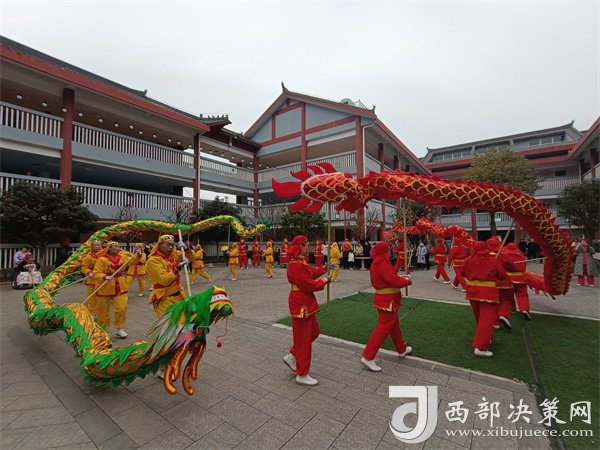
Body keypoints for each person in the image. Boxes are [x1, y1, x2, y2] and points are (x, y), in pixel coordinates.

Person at [282, 235, 331, 386]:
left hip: (306, 303)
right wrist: (325, 280)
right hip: (301, 304)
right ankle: (302, 374)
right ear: (300, 247)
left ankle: (293, 355)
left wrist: (325, 268)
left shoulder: (301, 262)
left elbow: (312, 273)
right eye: (306, 244)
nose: (308, 246)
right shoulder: (296, 265)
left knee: (313, 332)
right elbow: (309, 285)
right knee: (303, 340)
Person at [360, 242, 412, 372]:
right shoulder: (382, 264)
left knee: (394, 325)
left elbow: (391, 276)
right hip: (388, 301)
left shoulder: (377, 263)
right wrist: (406, 281)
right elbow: (392, 280)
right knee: (383, 328)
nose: (389, 251)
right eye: (388, 250)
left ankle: (401, 349)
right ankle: (368, 356)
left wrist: (400, 272)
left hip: (386, 300)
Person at [462, 241, 508, 357]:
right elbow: (503, 276)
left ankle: (486, 337)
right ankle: (481, 347)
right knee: (486, 320)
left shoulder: (468, 260)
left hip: (473, 292)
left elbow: (463, 273)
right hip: (488, 293)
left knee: (479, 318)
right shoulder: (493, 260)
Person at [93, 241, 142, 339]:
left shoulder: (122, 257)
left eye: (118, 246)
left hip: (120, 286)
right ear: (109, 248)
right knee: (103, 311)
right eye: (115, 246)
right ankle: (103, 329)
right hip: (104, 287)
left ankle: (120, 328)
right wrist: (104, 276)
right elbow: (96, 272)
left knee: (121, 308)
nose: (118, 248)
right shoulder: (102, 260)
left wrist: (138, 255)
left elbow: (132, 261)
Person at [487, 236, 517, 329]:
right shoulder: (504, 255)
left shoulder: (484, 256)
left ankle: (496, 322)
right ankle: (503, 315)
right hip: (504, 282)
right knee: (505, 300)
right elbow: (512, 268)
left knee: (493, 303)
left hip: (490, 283)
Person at [503, 243, 532, 320]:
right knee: (522, 295)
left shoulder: (504, 255)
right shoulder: (521, 255)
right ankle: (524, 310)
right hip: (521, 278)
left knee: (509, 296)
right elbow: (524, 267)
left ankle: (512, 309)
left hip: (509, 278)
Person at [81, 240, 103, 318]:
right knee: (92, 298)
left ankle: (100, 312)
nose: (97, 247)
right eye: (95, 245)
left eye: (98, 245)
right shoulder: (88, 257)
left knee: (102, 298)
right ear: (92, 247)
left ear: (101, 246)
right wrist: (88, 272)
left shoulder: (104, 256)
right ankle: (92, 313)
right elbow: (84, 267)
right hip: (92, 280)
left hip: (102, 280)